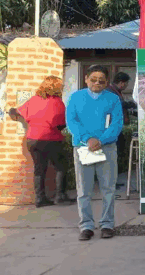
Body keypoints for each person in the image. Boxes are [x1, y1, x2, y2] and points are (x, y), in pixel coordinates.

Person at [66, 65, 123, 241]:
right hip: (83, 148)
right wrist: (87, 139)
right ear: (86, 79)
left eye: (101, 80)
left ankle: (107, 224)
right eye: (93, 79)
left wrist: (101, 140)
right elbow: (71, 121)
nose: (97, 83)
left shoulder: (113, 99)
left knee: (108, 189)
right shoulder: (75, 97)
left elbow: (117, 123)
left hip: (107, 148)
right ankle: (86, 226)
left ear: (106, 82)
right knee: (84, 190)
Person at [8, 76, 71, 208]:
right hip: (51, 139)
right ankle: (60, 196)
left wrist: (11, 111)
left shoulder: (34, 100)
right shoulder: (57, 102)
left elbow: (16, 112)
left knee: (39, 169)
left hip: (32, 140)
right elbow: (61, 124)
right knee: (61, 167)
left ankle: (40, 199)